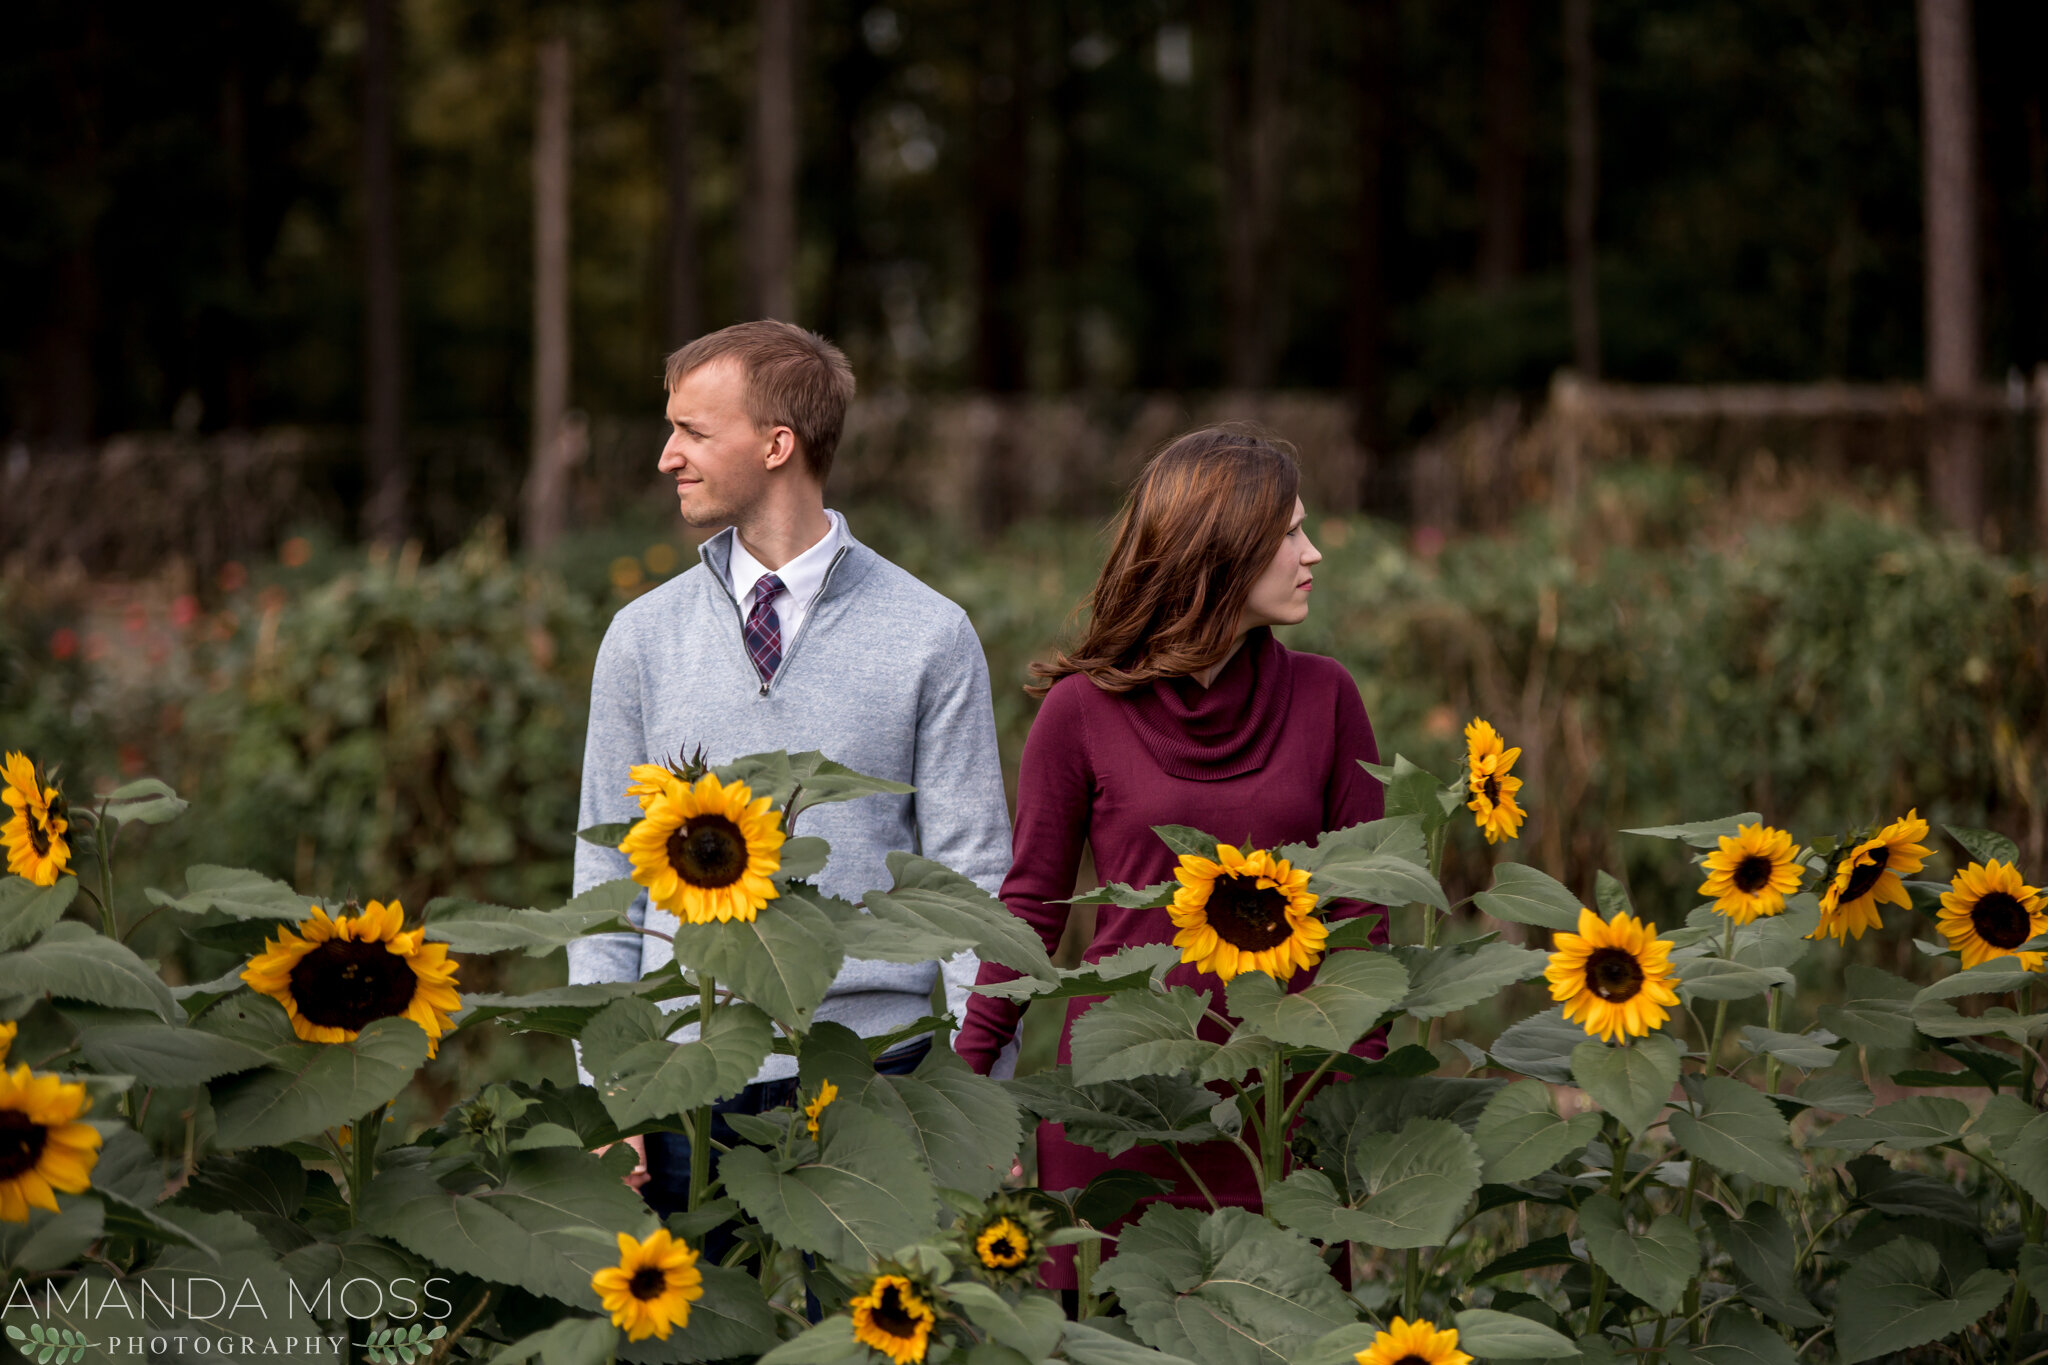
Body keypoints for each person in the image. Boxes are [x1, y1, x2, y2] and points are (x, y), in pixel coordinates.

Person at [567, 320, 1011, 1215]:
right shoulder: (642, 639)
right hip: (683, 1078)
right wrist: (605, 1090)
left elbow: (972, 878)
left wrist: (975, 1096)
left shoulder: (929, 634)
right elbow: (606, 879)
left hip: (876, 1078)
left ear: (778, 444)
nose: (667, 457)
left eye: (692, 431)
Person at [952, 425, 1386, 1287]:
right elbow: (1030, 908)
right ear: (1220, 552)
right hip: (1122, 1101)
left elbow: (1362, 917)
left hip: (1281, 1104)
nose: (1314, 552)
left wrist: (1352, 1100)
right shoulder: (1078, 713)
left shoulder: (1327, 697)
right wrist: (968, 1098)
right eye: (1290, 533)